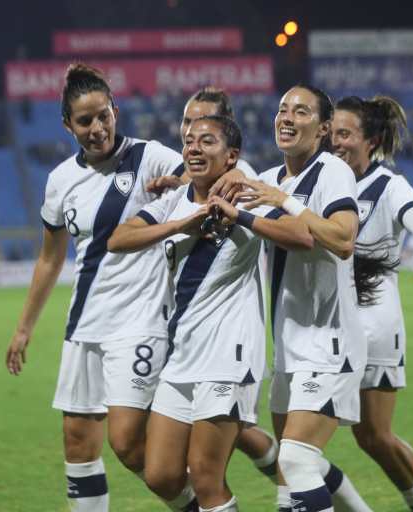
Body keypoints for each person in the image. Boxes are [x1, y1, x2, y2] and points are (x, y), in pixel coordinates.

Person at [4, 63, 195, 512]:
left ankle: (202, 506)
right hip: (85, 324)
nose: (97, 128)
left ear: (115, 110)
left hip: (140, 321)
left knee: (127, 445)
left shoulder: (149, 157)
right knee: (77, 442)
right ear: (67, 125)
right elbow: (50, 258)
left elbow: (204, 177)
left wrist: (179, 181)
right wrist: (24, 328)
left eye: (104, 115)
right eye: (85, 121)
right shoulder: (60, 182)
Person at [108, 115, 307, 511]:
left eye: (207, 141)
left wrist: (240, 216)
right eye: (189, 141)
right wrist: (185, 223)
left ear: (231, 155)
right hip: (181, 357)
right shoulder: (172, 203)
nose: (194, 148)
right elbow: (119, 239)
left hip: (227, 357)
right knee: (162, 474)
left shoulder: (246, 197)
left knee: (205, 475)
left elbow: (301, 236)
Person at [225, 85, 374, 512]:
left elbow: (344, 240)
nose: (287, 117)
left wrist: (285, 202)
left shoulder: (332, 172)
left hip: (330, 343)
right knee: (297, 468)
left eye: (302, 111)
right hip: (288, 346)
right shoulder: (268, 180)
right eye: (282, 109)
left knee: (294, 459)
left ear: (324, 128)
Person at [153, 86, 281, 483]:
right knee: (161, 474)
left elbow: (293, 226)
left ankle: (300, 481)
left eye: (205, 128)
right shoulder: (179, 184)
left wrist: (239, 180)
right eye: (188, 125)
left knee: (206, 473)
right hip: (183, 345)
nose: (193, 134)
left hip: (229, 346)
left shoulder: (242, 182)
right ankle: (295, 477)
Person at [330, 95, 413, 512]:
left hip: (374, 323)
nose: (336, 142)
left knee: (374, 437)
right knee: (357, 437)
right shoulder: (323, 177)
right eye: (332, 133)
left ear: (372, 139)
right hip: (328, 321)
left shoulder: (387, 184)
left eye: (345, 134)